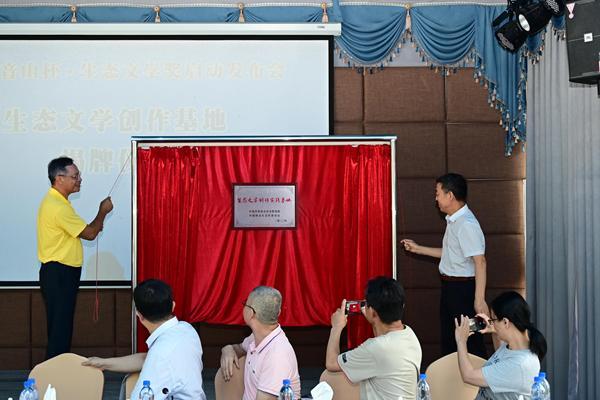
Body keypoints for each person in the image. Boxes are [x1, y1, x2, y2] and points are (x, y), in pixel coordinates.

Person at [401, 173, 488, 358]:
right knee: (451, 340)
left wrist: (479, 299)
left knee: (469, 341)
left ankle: (477, 384)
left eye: (438, 193)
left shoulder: (466, 224)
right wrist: (418, 249)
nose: (436, 198)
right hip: (451, 288)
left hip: (463, 290)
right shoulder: (454, 220)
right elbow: (450, 254)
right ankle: (454, 381)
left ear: (450, 196)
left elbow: (480, 261)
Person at [37, 156, 113, 359]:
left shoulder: (58, 202)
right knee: (59, 331)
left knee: (60, 328)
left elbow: (86, 230)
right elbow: (89, 233)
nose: (79, 180)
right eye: (75, 176)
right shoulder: (57, 206)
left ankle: (56, 375)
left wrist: (96, 223)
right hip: (59, 273)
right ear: (59, 178)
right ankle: (54, 378)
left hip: (60, 273)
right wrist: (102, 212)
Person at [83, 279, 207, 400]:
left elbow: (143, 393)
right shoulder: (187, 330)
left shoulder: (160, 354)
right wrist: (104, 363)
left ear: (139, 315)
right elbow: (147, 358)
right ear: (173, 306)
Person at [322, 276, 422, 400]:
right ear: (402, 306)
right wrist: (374, 319)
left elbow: (331, 364)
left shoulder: (375, 348)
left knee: (329, 378)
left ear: (374, 312)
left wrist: (336, 327)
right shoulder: (409, 334)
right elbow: (383, 352)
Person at [454, 291, 547, 399]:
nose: (491, 323)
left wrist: (461, 341)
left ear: (506, 322)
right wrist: (495, 330)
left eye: (493, 319)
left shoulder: (520, 364)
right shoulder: (515, 346)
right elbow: (502, 360)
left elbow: (468, 376)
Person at [220, 286, 301, 400]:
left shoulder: (277, 355)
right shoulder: (257, 337)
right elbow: (239, 348)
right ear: (279, 312)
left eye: (245, 304)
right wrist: (227, 349)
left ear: (251, 313)